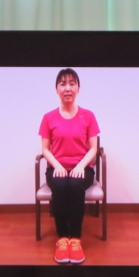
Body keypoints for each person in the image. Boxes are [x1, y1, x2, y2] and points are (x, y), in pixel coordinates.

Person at [38, 69, 100, 264]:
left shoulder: (88, 116)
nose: (67, 88)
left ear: (78, 89)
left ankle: (76, 239)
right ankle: (63, 238)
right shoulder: (48, 117)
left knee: (74, 185)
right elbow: (45, 149)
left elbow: (93, 148)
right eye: (63, 84)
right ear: (56, 89)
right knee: (60, 185)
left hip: (83, 168)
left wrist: (81, 166)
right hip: (56, 167)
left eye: (72, 84)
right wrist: (57, 165)